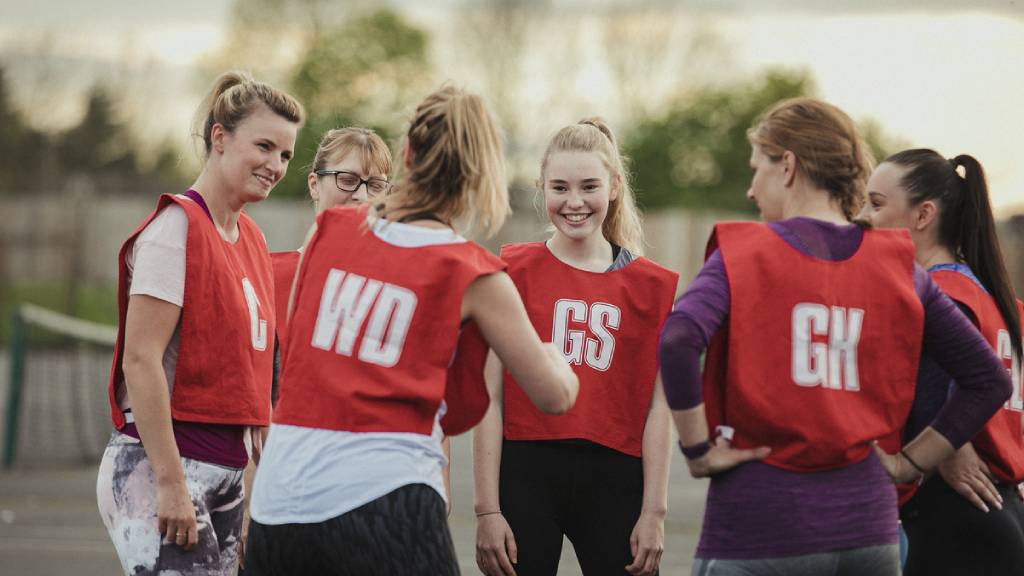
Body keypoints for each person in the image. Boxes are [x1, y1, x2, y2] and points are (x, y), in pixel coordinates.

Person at [659, 97, 1013, 576]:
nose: (749, 189)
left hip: (761, 524)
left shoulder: (747, 252)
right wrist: (909, 463)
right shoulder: (897, 267)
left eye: (755, 168)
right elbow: (988, 379)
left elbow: (678, 337)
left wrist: (698, 450)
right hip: (868, 529)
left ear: (788, 165)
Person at [244, 85, 580, 575]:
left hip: (281, 501)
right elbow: (553, 397)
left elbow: (297, 354)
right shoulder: (473, 270)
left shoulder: (329, 234)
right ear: (481, 172)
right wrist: (556, 356)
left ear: (406, 154)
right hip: (385, 493)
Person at [96, 71, 303, 574]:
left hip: (226, 472)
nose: (275, 165)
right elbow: (141, 361)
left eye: (286, 155)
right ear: (219, 138)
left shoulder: (250, 237)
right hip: (163, 467)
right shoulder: (175, 231)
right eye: (264, 146)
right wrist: (169, 484)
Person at [473, 118, 678, 576]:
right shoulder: (510, 272)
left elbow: (658, 410)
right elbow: (490, 398)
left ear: (615, 187)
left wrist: (654, 513)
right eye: (560, 187)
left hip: (617, 479)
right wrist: (487, 510)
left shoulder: (651, 288)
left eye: (589, 186)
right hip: (526, 473)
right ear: (541, 188)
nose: (574, 202)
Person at [859, 149, 1024, 575]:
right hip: (1000, 509)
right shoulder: (1001, 303)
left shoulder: (942, 298)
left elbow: (949, 389)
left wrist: (937, 449)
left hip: (956, 514)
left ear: (923, 214)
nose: (862, 216)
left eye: (876, 204)